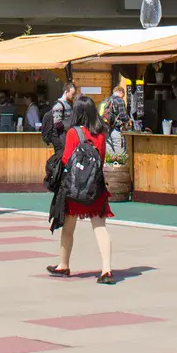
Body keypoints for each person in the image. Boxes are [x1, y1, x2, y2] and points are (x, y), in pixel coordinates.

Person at [48, 96, 117, 285]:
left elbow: (66, 160)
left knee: (68, 228)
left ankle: (63, 264)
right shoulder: (101, 133)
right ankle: (106, 269)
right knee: (100, 227)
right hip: (95, 186)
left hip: (74, 187)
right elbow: (101, 159)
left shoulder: (73, 133)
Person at [103, 85, 132, 159]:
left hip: (106, 130)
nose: (122, 98)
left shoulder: (107, 100)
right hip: (116, 130)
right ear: (121, 92)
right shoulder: (119, 100)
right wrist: (129, 119)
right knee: (120, 156)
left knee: (110, 157)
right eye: (123, 96)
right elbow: (122, 116)